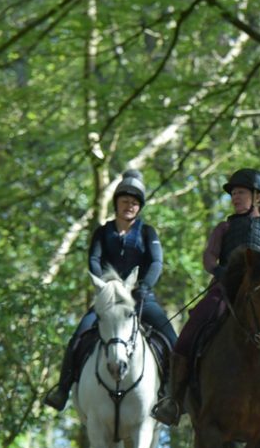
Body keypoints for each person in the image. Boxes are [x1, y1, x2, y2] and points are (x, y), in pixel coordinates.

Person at [150, 168, 260, 426]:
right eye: (233, 194)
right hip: (225, 289)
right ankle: (175, 399)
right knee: (190, 331)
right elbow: (209, 257)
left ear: (258, 196)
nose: (235, 198)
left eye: (241, 193)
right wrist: (219, 270)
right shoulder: (224, 227)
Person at [44, 169, 178, 411]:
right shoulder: (102, 232)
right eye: (125, 201)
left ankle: (173, 395)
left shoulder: (148, 233)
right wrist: (104, 286)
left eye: (135, 203)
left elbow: (157, 262)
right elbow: (94, 259)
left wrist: (144, 286)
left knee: (171, 339)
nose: (130, 206)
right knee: (78, 337)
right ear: (116, 202)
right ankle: (62, 390)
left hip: (140, 298)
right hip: (108, 299)